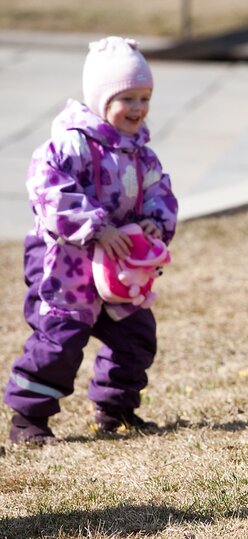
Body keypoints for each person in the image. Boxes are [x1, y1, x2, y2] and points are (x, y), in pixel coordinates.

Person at [4, 37, 178, 444]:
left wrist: (155, 221)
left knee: (135, 335)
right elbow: (48, 189)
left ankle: (115, 408)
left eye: (144, 97)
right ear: (101, 100)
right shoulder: (70, 144)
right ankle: (29, 419)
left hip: (118, 269)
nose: (138, 108)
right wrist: (97, 225)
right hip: (66, 264)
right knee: (58, 340)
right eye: (127, 99)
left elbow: (160, 192)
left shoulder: (142, 154)